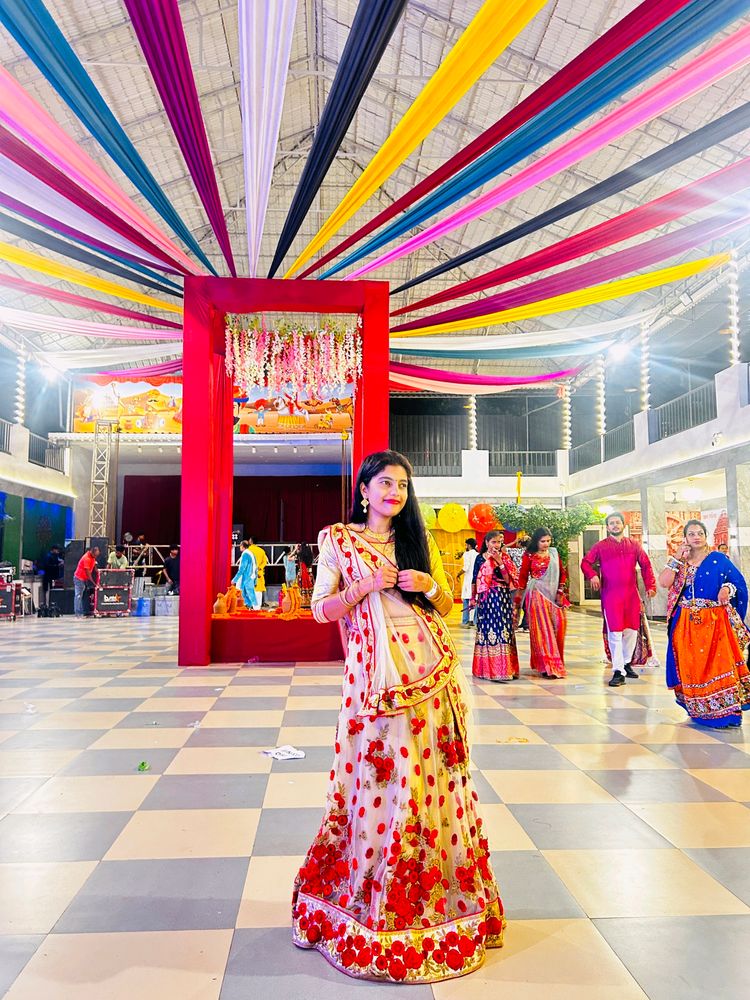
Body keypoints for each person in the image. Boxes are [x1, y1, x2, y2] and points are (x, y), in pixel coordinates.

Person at [293, 450, 504, 983]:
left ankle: (427, 893)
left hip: (429, 678)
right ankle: (373, 892)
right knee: (381, 782)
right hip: (374, 685)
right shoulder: (338, 539)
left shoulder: (417, 540)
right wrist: (364, 586)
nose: (394, 493)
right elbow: (320, 608)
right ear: (364, 490)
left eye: (402, 486)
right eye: (384, 483)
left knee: (425, 783)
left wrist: (426, 585)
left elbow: (449, 603)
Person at [658, 519, 750, 728]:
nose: (696, 537)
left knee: (720, 665)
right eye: (691, 534)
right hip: (686, 624)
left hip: (714, 622)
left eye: (700, 533)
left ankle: (728, 713)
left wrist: (727, 589)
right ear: (685, 538)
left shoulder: (718, 559)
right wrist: (676, 560)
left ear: (705, 536)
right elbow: (663, 583)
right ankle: (700, 711)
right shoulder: (679, 561)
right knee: (691, 666)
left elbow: (738, 583)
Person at [581, 511, 657, 687]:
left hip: (631, 595)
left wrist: (651, 586)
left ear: (623, 525)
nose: (615, 525)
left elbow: (646, 565)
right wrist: (592, 575)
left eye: (617, 522)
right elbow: (585, 562)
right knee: (614, 632)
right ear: (607, 527)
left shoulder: (634, 545)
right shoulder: (601, 546)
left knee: (631, 630)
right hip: (611, 595)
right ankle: (618, 671)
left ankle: (626, 663)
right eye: (611, 523)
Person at [515, 527, 568, 678]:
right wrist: (519, 597)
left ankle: (554, 662)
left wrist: (560, 590)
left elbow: (563, 573)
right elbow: (524, 576)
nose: (546, 544)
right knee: (543, 631)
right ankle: (548, 665)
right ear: (536, 541)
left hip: (553, 595)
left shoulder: (554, 553)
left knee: (558, 627)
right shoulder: (529, 555)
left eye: (548, 541)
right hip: (537, 595)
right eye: (542, 541)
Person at [472, 530, 519, 682]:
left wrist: (500, 562)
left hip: (502, 597)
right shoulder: (480, 559)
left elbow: (508, 580)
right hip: (486, 599)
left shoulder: (505, 557)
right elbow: (474, 579)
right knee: (487, 628)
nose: (496, 545)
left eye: (499, 542)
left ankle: (505, 669)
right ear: (486, 543)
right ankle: (486, 669)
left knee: (503, 628)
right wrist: (473, 598)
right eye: (493, 542)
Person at [73, 545, 99, 618]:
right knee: (78, 596)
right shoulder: (86, 558)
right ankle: (78, 613)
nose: (96, 557)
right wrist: (94, 583)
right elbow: (88, 574)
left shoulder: (92, 557)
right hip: (79, 578)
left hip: (84, 579)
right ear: (92, 552)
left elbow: (94, 568)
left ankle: (83, 612)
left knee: (82, 596)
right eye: (95, 555)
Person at [232, 541, 258, 609]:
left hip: (247, 577)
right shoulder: (251, 553)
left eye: (240, 546)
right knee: (249, 594)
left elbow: (242, 569)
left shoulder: (245, 554)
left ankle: (253, 608)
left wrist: (235, 579)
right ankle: (252, 607)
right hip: (251, 576)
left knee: (247, 594)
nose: (239, 547)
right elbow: (256, 568)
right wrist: (255, 580)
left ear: (242, 546)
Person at [458, 537, 478, 626]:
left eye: (466, 544)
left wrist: (458, 574)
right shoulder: (478, 554)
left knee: (466, 600)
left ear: (469, 545)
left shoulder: (467, 554)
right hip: (476, 580)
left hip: (468, 580)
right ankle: (474, 621)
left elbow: (466, 567)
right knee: (475, 600)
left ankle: (465, 621)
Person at [248, 536, 268, 607]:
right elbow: (265, 562)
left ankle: (250, 607)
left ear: (251, 541)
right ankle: (257, 608)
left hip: (249, 574)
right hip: (259, 574)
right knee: (259, 591)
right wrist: (260, 568)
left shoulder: (248, 550)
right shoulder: (261, 551)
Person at [297, 542, 315, 609]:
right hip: (309, 574)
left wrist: (296, 549)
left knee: (301, 589)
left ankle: (302, 603)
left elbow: (291, 557)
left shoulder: (300, 555)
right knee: (310, 588)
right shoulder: (311, 555)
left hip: (301, 574)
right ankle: (310, 602)